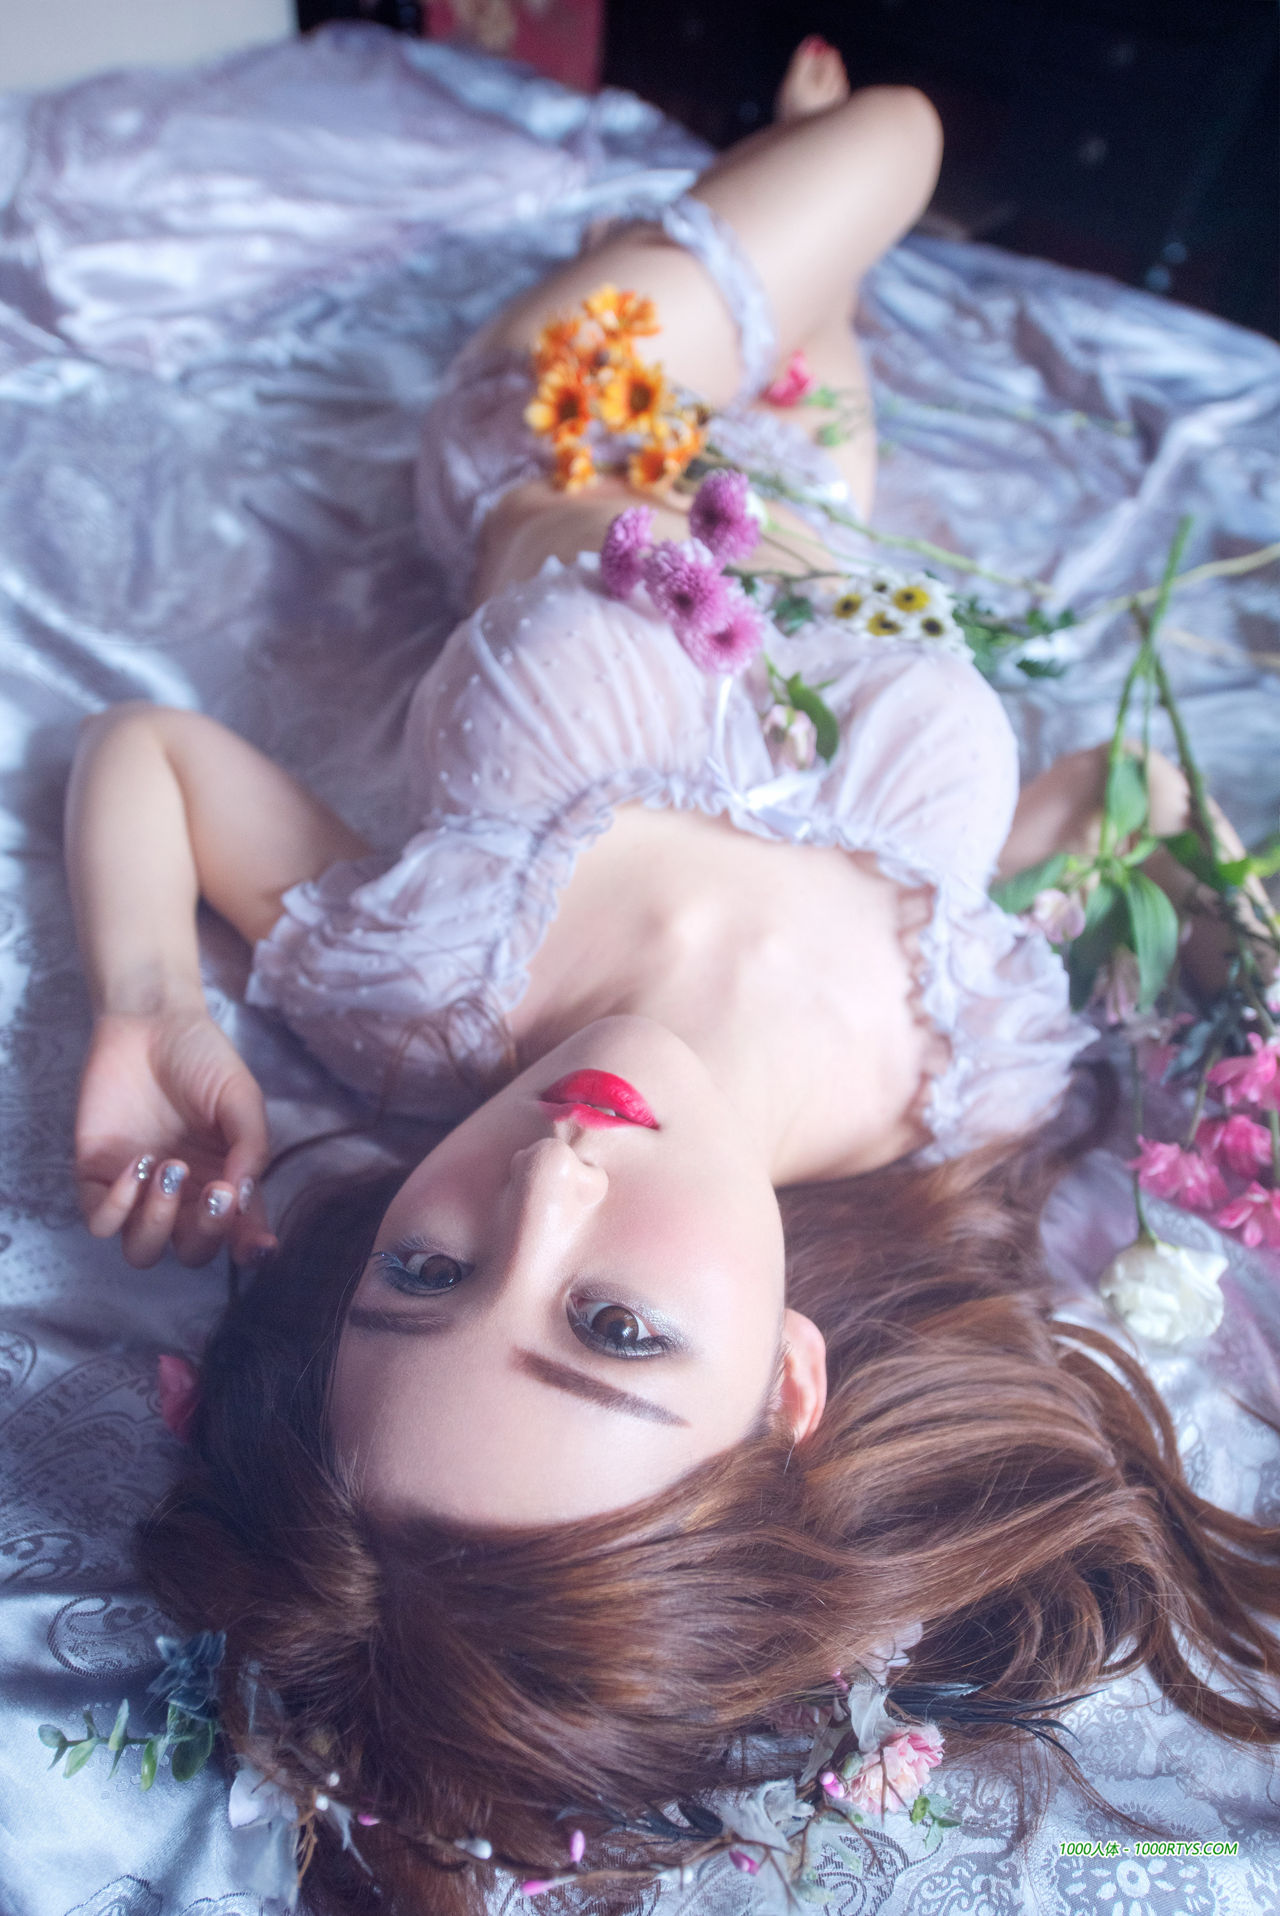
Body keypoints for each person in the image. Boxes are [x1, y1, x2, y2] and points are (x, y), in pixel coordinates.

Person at [63, 38, 1280, 1915]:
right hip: (835, 500)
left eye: (427, 1272)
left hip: (593, 400)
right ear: (790, 1381)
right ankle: (812, 228)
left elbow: (143, 752)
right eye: (616, 1328)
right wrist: (1223, 931)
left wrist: (153, 1001)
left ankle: (799, 180)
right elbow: (1092, 810)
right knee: (849, 252)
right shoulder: (964, 1069)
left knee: (905, 128)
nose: (551, 1175)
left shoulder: (425, 985)